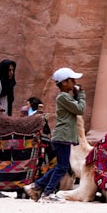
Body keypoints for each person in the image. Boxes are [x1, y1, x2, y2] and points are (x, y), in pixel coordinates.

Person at [24, 67, 85, 203]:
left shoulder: (64, 97)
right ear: (64, 82)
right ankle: (47, 193)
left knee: (60, 166)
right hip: (63, 136)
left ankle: (36, 186)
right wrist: (81, 95)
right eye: (72, 80)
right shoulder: (63, 97)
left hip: (63, 136)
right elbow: (80, 109)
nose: (74, 83)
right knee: (62, 167)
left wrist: (76, 96)